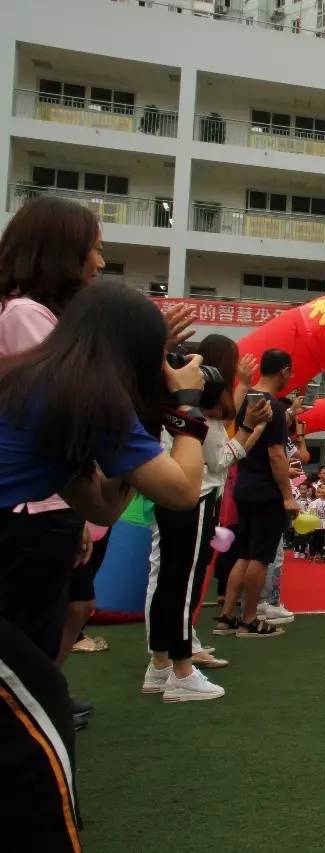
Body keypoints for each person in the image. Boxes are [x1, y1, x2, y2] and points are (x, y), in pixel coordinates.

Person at [0, 282, 209, 849]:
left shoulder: (40, 381)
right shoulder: (89, 397)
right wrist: (187, 409)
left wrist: (143, 422)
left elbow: (99, 503)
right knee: (36, 729)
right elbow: (184, 488)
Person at [0, 195, 107, 730]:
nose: (100, 263)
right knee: (25, 631)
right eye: (94, 249)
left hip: (47, 507)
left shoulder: (39, 317)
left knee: (49, 622)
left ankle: (43, 706)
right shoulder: (25, 315)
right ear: (63, 255)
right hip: (27, 514)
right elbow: (63, 413)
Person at [143, 337, 270, 701]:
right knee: (183, 585)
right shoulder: (202, 412)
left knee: (169, 581)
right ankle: (182, 671)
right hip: (194, 498)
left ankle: (160, 664)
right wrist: (252, 429)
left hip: (173, 494)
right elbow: (220, 459)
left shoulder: (177, 404)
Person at [214, 349, 298, 639]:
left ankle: (226, 617)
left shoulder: (244, 401)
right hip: (265, 491)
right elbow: (277, 455)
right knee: (260, 558)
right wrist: (287, 495)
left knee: (243, 554)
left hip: (243, 486)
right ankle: (249, 620)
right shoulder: (271, 407)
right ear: (284, 372)